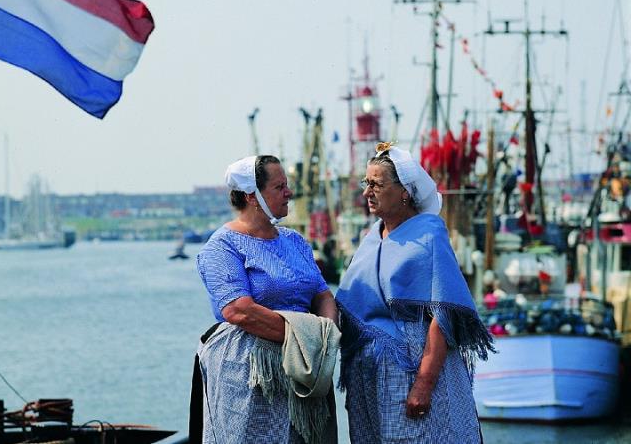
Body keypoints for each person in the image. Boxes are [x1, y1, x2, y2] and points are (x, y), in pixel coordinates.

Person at [335, 143, 493, 443]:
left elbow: (444, 313)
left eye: (377, 184)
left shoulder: (429, 233)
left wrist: (424, 383)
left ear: (405, 191)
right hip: (368, 375)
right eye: (366, 183)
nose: (367, 192)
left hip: (411, 365)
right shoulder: (371, 238)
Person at [195, 155, 339, 444]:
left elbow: (322, 293)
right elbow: (239, 310)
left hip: (305, 367)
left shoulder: (295, 241)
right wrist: (306, 337)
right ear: (252, 196)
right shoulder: (222, 246)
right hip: (250, 372)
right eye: (279, 186)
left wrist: (324, 336)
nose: (289, 193)